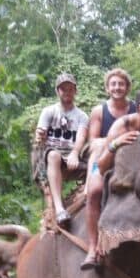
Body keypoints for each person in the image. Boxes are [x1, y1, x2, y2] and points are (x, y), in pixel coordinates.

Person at [81, 86, 140, 270]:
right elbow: (103, 165)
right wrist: (116, 143)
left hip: (139, 170)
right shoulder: (124, 125)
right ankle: (92, 248)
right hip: (107, 164)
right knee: (94, 191)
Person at [32, 73, 89, 227]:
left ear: (75, 91)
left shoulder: (82, 116)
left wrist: (75, 154)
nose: (67, 92)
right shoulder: (49, 111)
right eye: (63, 89)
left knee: (95, 164)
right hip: (50, 154)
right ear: (58, 91)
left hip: (71, 154)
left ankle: (86, 199)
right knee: (54, 156)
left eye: (70, 89)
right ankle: (59, 208)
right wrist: (41, 135)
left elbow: (81, 137)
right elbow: (40, 134)